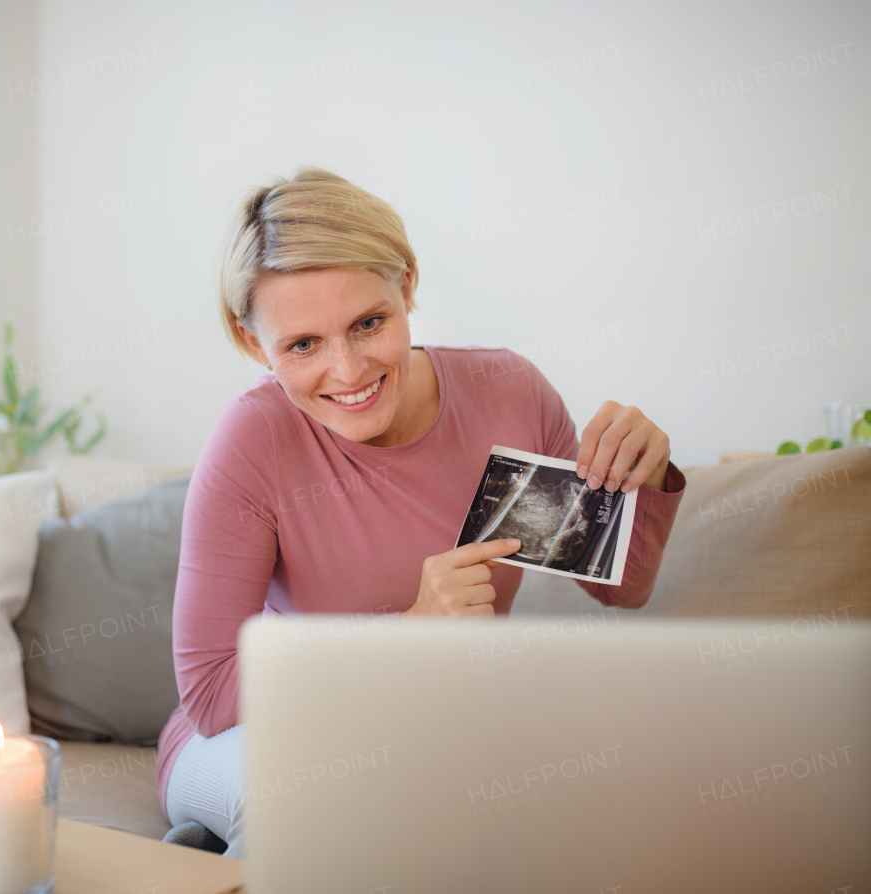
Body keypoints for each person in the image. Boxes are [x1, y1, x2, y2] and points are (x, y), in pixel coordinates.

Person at [157, 168, 685, 858]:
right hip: (259, 735)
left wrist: (643, 475)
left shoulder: (506, 395)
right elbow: (212, 691)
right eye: (303, 345)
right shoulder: (255, 440)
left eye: (369, 323)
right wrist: (410, 627)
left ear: (406, 285)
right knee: (311, 802)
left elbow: (619, 588)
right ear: (254, 343)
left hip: (435, 729)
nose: (347, 373)